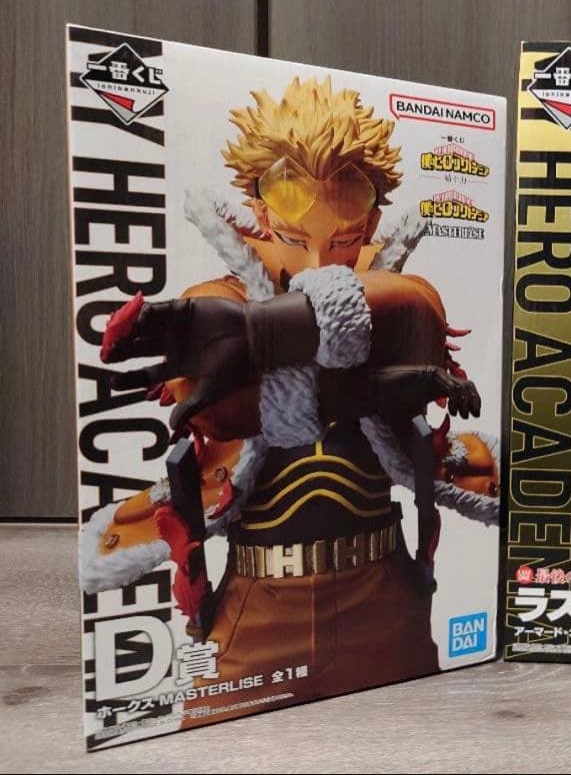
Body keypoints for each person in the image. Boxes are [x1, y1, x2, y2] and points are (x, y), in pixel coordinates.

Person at [80, 77, 500, 724]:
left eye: (344, 232)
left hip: (384, 596)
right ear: (257, 207)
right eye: (296, 228)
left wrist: (265, 334)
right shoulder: (211, 306)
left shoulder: (396, 300)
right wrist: (354, 380)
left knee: (420, 738)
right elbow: (222, 410)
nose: (320, 251)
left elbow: (411, 313)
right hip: (256, 607)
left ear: (373, 220)